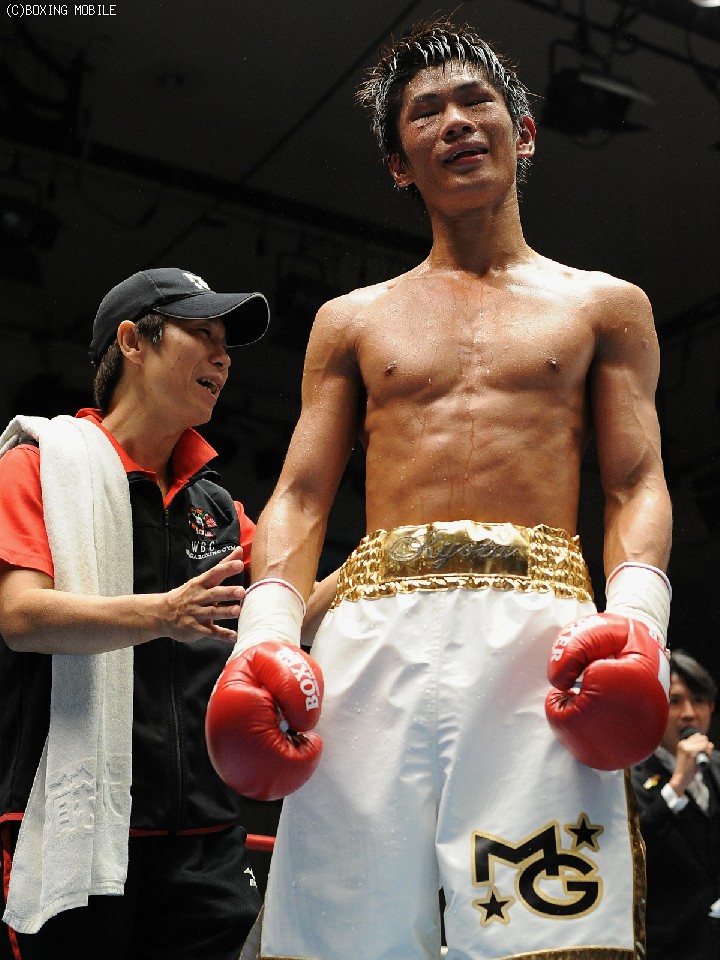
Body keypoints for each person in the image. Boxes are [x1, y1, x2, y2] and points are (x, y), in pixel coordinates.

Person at [207, 19, 673, 960]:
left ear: (523, 131)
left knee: (545, 935)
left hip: (539, 642)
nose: (455, 121)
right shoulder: (352, 320)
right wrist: (264, 638)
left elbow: (635, 481)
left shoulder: (603, 304)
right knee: (343, 939)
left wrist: (639, 624)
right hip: (374, 638)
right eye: (426, 112)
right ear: (398, 164)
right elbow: (300, 495)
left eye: (475, 101)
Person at [0, 267, 271, 960]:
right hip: (75, 825)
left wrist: (383, 566)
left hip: (204, 834)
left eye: (226, 344)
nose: (223, 357)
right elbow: (22, 618)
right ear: (132, 342)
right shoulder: (37, 466)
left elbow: (285, 602)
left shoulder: (216, 505)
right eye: (202, 333)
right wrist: (164, 613)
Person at [631, 650, 720, 959]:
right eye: (675, 701)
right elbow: (633, 854)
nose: (689, 713)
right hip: (669, 947)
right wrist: (677, 785)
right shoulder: (628, 776)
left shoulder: (716, 766)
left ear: (711, 707)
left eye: (699, 700)